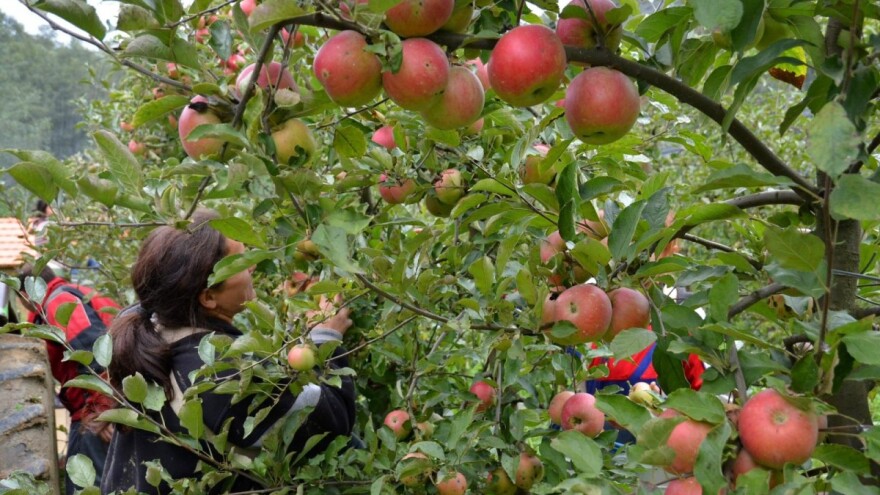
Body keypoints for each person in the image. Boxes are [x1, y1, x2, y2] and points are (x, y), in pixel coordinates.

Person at [101, 210, 356, 494]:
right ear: (208, 297)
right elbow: (334, 420)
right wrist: (324, 337)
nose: (253, 267)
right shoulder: (225, 375)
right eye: (240, 261)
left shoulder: (148, 331)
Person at [16, 264, 120, 493]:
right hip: (112, 401)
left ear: (25, 294)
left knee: (88, 486)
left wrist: (100, 410)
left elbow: (97, 353)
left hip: (98, 409)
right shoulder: (76, 292)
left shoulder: (59, 303)